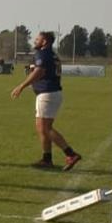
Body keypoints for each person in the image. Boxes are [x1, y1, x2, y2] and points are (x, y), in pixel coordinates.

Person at [11, 31, 82, 171]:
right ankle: (47, 159)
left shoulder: (42, 54)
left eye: (38, 39)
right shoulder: (52, 54)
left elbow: (39, 72)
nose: (35, 41)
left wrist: (22, 86)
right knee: (41, 128)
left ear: (45, 42)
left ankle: (71, 154)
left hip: (47, 94)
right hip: (51, 93)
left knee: (45, 128)